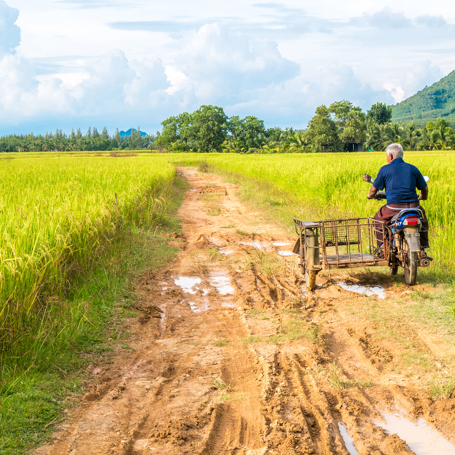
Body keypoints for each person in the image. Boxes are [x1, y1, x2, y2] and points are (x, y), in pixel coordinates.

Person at [367, 143, 430, 250]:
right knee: (423, 220)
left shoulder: (385, 169)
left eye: (386, 156)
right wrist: (423, 197)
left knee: (378, 219)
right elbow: (425, 188)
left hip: (394, 208)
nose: (386, 158)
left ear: (390, 156)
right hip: (414, 207)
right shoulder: (413, 168)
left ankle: (383, 248)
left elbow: (373, 189)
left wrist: (370, 195)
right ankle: (423, 245)